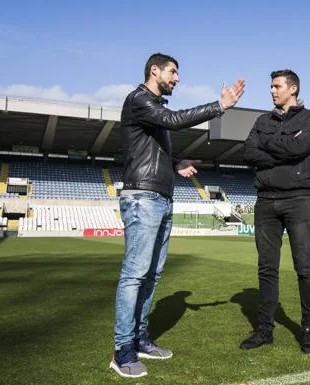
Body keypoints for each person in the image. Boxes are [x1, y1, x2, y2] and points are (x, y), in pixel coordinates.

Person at [110, 52, 245, 378]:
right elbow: (173, 120)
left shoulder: (153, 111)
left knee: (152, 275)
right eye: (173, 72)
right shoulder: (139, 100)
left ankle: (141, 339)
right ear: (154, 70)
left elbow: (146, 147)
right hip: (142, 197)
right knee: (134, 275)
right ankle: (122, 351)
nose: (177, 78)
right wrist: (219, 106)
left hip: (161, 196)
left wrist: (174, 163)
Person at [241, 69, 310, 353]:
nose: (272, 91)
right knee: (266, 269)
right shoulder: (262, 120)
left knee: (305, 268)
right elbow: (248, 152)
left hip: (298, 200)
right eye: (271, 86)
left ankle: (309, 329)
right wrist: (285, 149)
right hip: (265, 201)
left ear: (294, 89)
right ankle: (264, 331)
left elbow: (299, 149)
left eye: (277, 86)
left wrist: (269, 145)